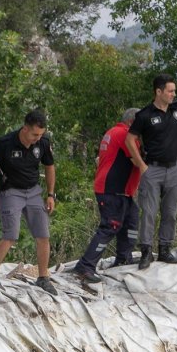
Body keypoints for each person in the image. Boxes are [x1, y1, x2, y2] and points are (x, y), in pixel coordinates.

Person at [126, 73, 177, 270]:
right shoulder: (145, 115)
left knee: (170, 211)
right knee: (149, 211)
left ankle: (165, 248)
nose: (174, 94)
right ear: (159, 91)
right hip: (152, 168)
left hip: (174, 168)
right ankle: (146, 251)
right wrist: (141, 165)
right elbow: (130, 140)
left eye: (174, 91)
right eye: (170, 91)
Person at [0, 110, 58, 296]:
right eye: (34, 134)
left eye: (41, 134)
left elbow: (49, 166)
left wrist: (51, 194)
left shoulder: (43, 143)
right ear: (25, 129)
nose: (37, 138)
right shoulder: (5, 143)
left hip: (33, 191)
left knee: (43, 235)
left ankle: (43, 278)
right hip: (11, 191)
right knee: (10, 235)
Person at [70, 108, 142, 283]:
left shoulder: (113, 131)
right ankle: (85, 266)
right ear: (133, 122)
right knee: (110, 226)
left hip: (121, 191)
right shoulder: (125, 134)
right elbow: (138, 160)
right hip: (112, 189)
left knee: (131, 222)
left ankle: (123, 258)